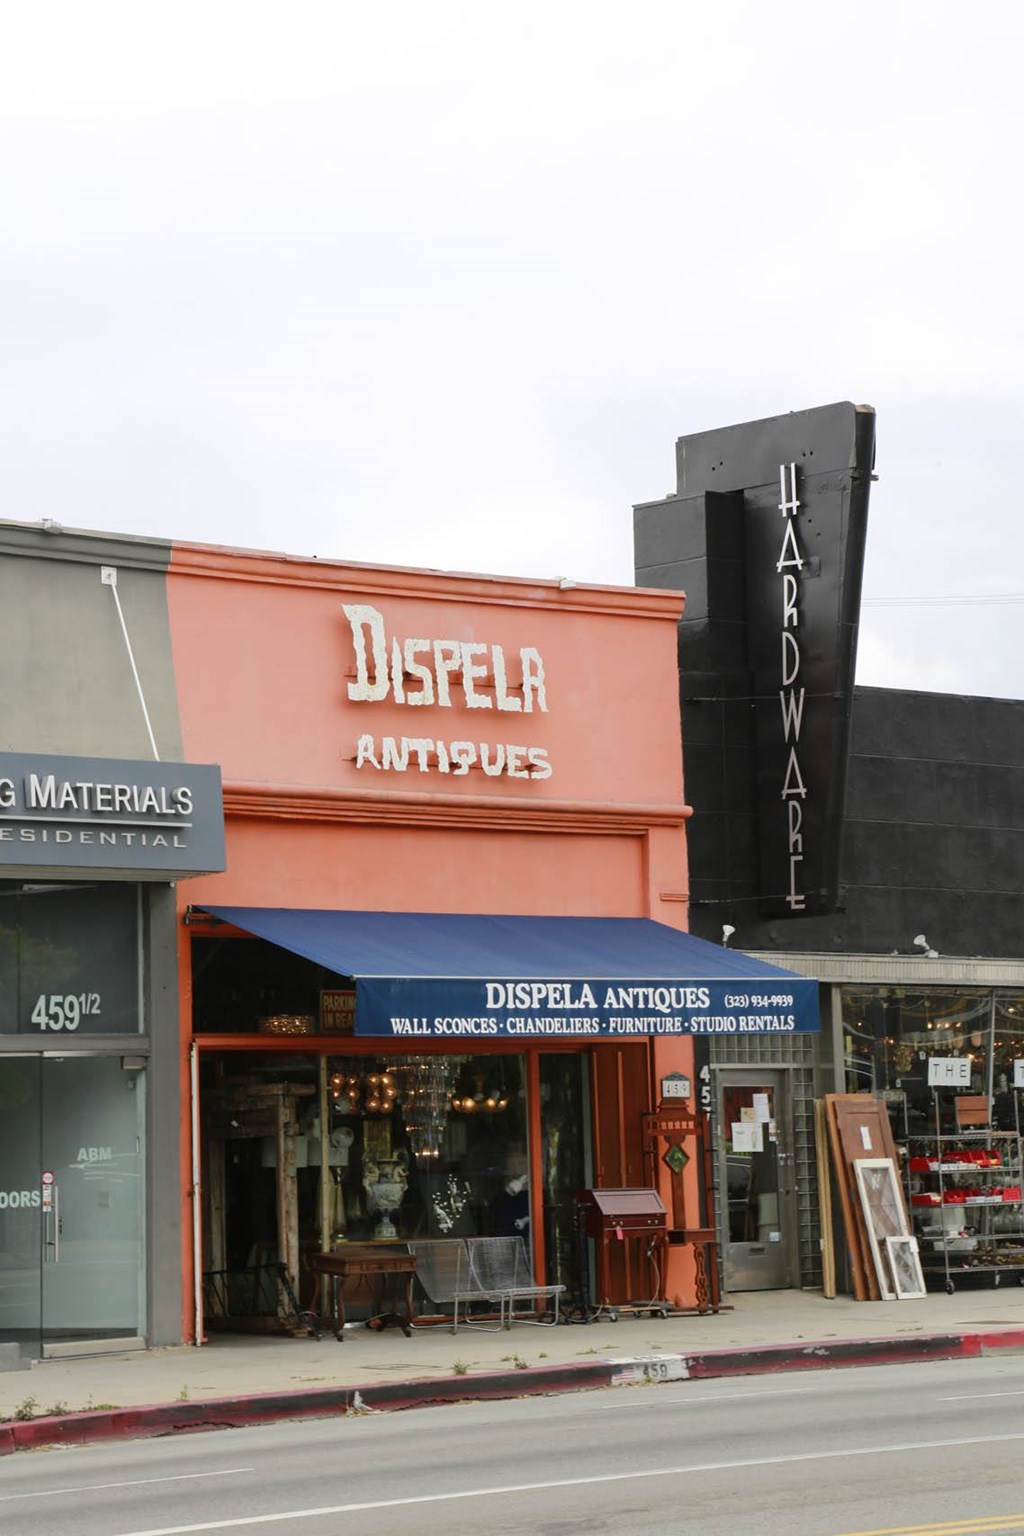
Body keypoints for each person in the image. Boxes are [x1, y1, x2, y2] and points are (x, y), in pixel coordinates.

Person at [493, 1146, 530, 1236]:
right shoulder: (502, 1197)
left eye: (523, 1163)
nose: (523, 1166)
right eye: (520, 1163)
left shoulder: (537, 1194)